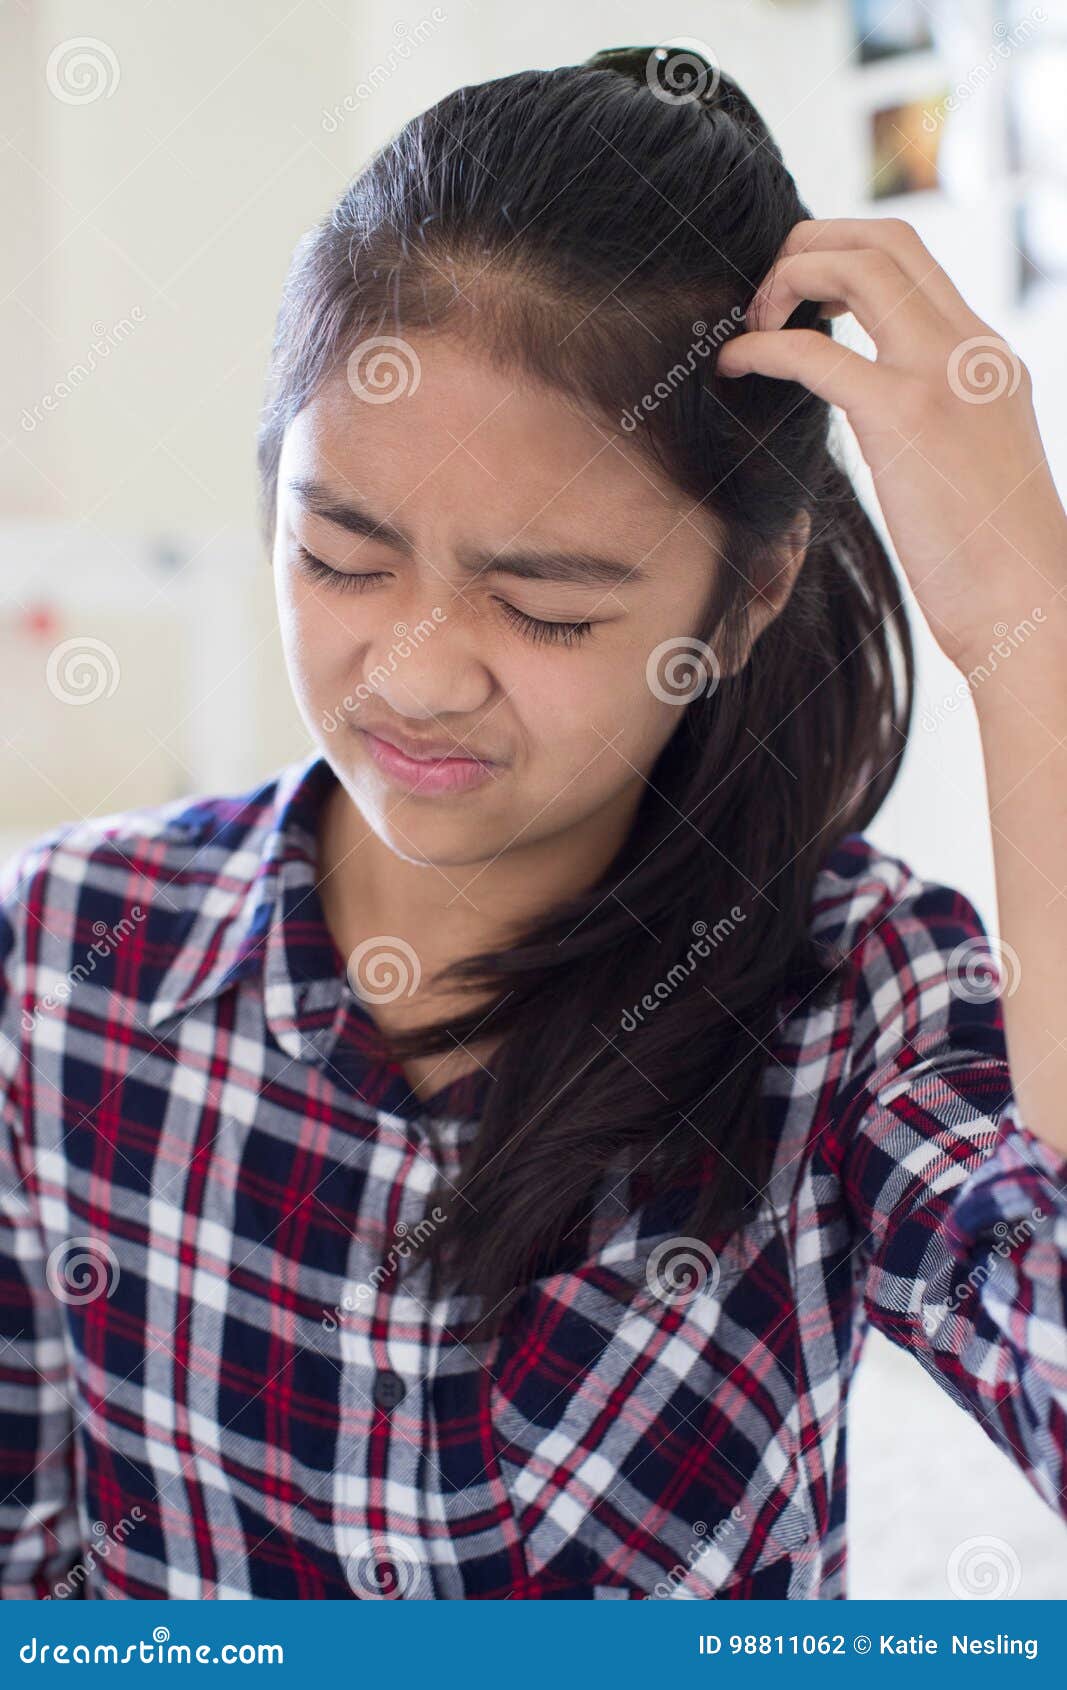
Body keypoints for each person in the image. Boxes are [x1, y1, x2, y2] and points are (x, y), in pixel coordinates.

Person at [1, 45, 1065, 1601]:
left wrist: (1028, 632)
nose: (417, 672)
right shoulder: (61, 953)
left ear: (750, 589)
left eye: (546, 603)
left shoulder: (860, 996)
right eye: (343, 558)